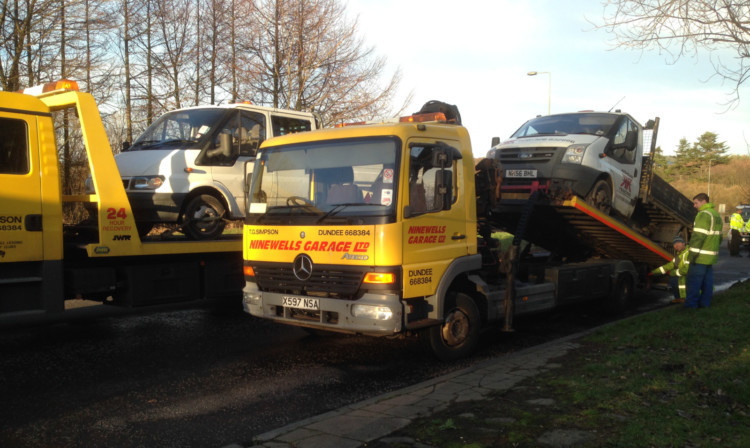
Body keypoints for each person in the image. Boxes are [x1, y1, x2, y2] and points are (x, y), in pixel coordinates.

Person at [685, 193, 723, 309]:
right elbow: (720, 238)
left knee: (693, 283)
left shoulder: (703, 215)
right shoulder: (716, 215)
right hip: (710, 257)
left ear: (703, 202)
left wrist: (692, 256)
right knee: (707, 283)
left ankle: (691, 306)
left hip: (700, 257)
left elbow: (698, 238)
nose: (694, 206)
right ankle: (705, 305)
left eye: (696, 203)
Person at [649, 236, 690, 304]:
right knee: (675, 278)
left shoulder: (688, 253)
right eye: (674, 244)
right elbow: (669, 266)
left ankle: (684, 298)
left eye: (678, 243)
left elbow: (685, 270)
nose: (676, 245)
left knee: (674, 279)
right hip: (687, 276)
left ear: (684, 243)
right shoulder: (679, 256)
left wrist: (672, 273)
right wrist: (654, 272)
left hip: (691, 276)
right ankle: (681, 298)